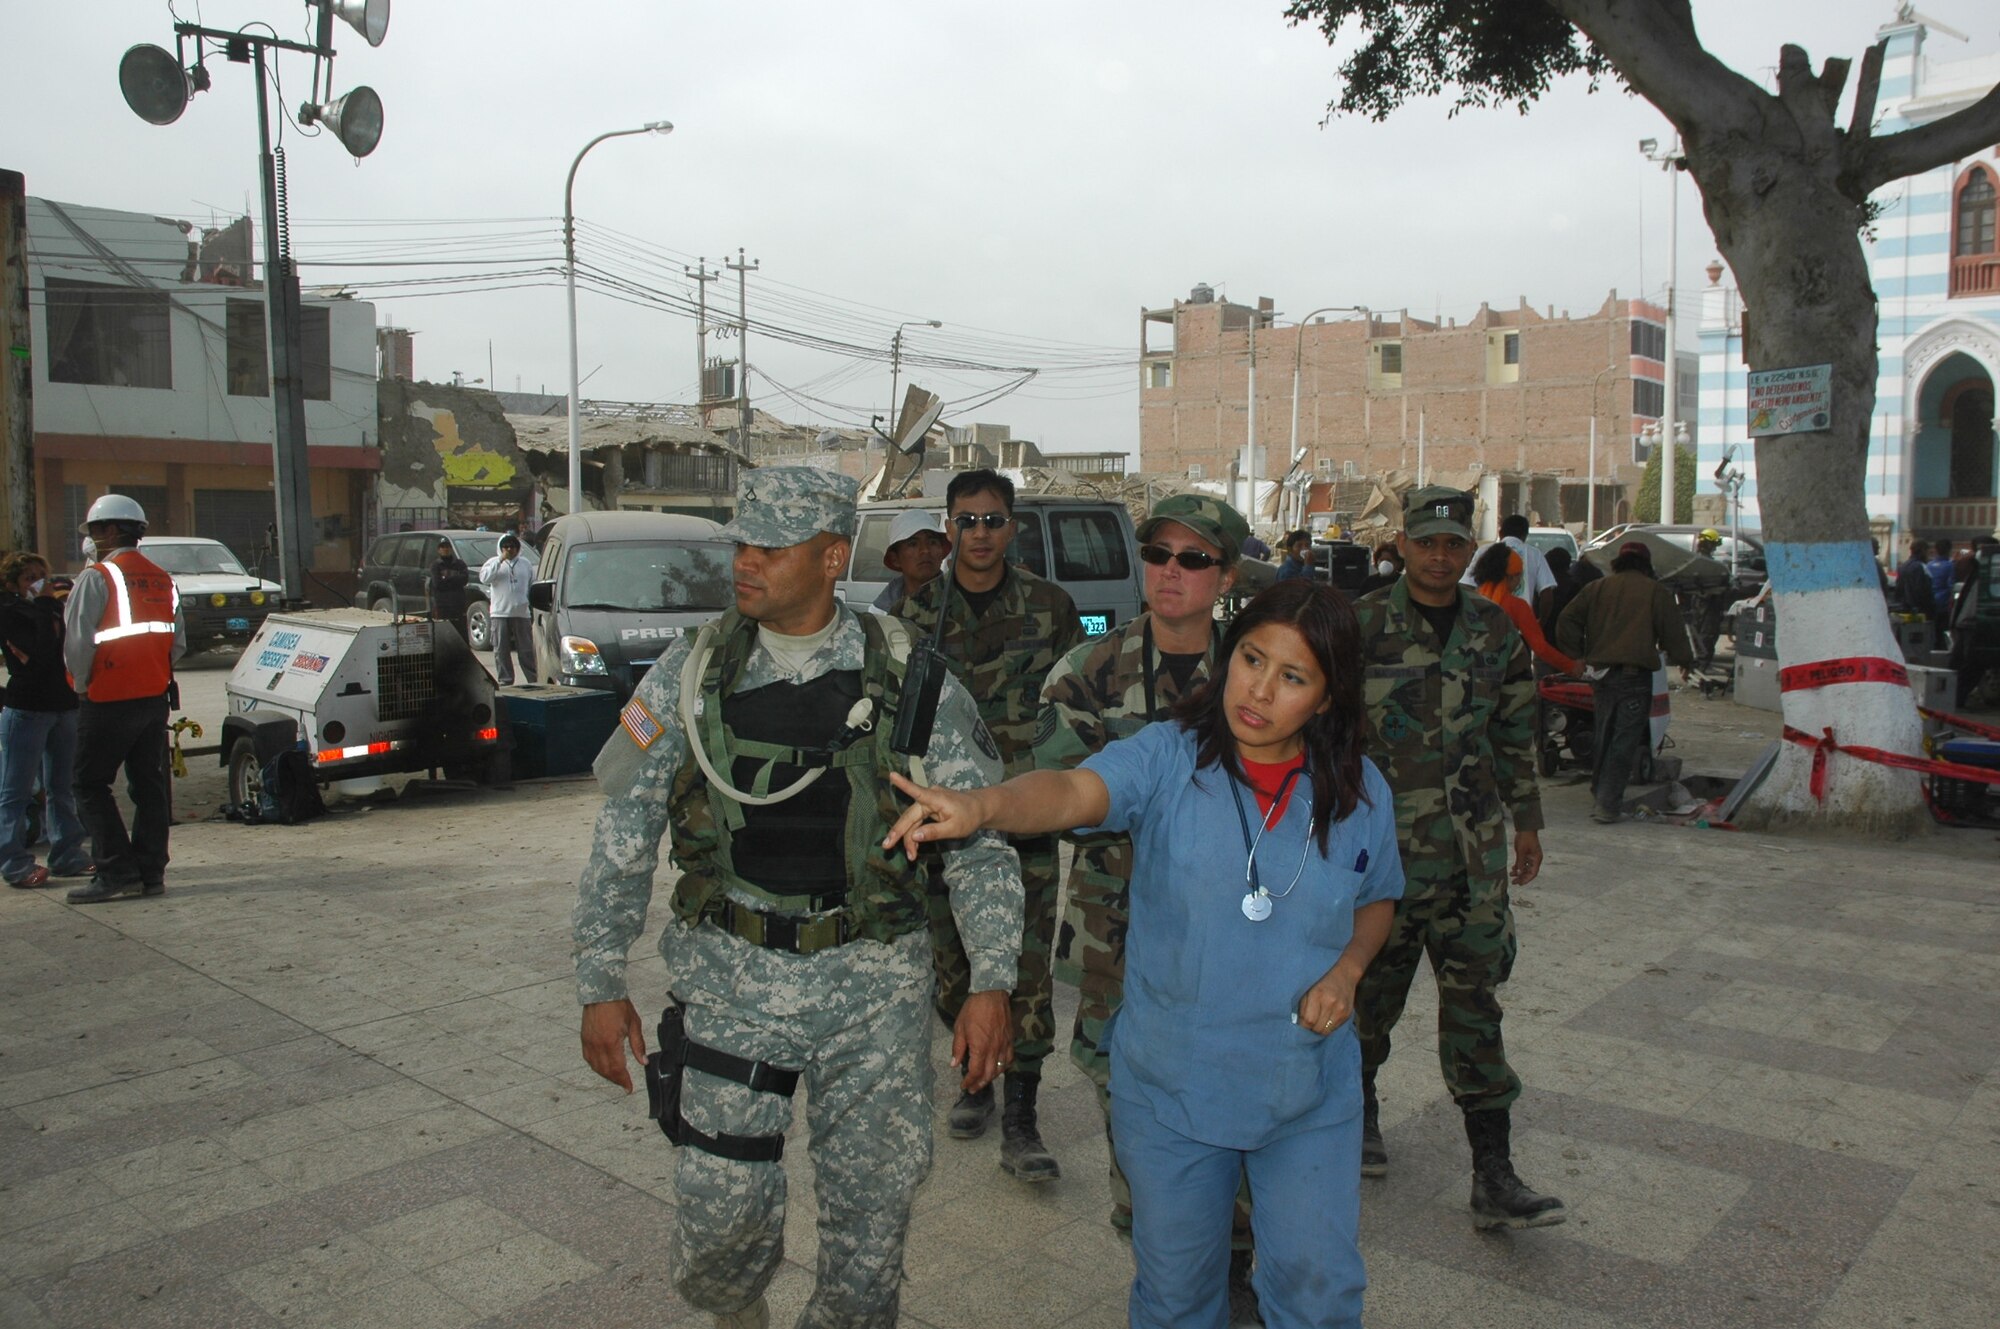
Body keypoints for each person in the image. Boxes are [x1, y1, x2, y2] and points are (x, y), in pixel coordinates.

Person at [572, 466, 1022, 1329]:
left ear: (829, 557)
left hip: (874, 986)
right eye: (740, 543)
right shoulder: (691, 668)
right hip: (734, 979)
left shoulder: (907, 673)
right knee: (719, 1211)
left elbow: (978, 839)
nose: (745, 563)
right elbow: (625, 825)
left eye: (770, 549)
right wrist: (600, 978)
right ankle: (736, 1315)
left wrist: (991, 981)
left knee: (869, 1232)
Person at [890, 579, 1404, 1329]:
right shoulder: (1169, 757)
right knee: (1175, 1300)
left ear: (1326, 698)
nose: (1257, 690)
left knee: (1319, 1292)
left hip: (1306, 1088)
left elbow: (1377, 897)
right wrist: (984, 804)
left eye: (1292, 677)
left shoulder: (1360, 793)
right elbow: (1072, 789)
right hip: (1174, 1090)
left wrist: (1350, 969)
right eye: (1251, 659)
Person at [1035, 493, 1264, 1318]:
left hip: (1234, 941)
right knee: (1134, 1120)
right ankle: (1166, 1269)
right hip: (1116, 938)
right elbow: (1066, 793)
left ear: (1226, 575)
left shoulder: (1259, 674)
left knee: (1238, 1104)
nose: (1171, 571)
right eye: (1158, 553)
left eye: (1193, 558)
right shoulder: (1087, 669)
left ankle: (1237, 1270)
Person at [1352, 484, 1565, 1231]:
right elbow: (1328, 735)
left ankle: (1493, 1171)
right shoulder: (1362, 626)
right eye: (1427, 542)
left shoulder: (1493, 630)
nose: (1441, 556)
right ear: (1403, 544)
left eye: (1454, 543)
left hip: (1473, 860)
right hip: (1383, 865)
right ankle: (1359, 1114)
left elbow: (1514, 733)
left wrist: (1529, 820)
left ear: (1470, 548)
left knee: (1477, 1009)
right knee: (1366, 1005)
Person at [895, 468, 1084, 1181]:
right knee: (954, 964)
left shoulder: (1050, 607)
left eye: (993, 520)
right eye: (967, 520)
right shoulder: (915, 618)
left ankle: (1024, 1116)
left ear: (1014, 527)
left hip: (1020, 815)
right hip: (943, 821)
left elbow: (1074, 707)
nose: (980, 533)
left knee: (1026, 966)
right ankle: (976, 1077)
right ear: (947, 527)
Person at [62, 494, 185, 903]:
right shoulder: (163, 578)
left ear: (113, 531)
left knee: (89, 783)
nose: (94, 538)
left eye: (96, 529)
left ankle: (116, 872)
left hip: (108, 699)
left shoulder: (97, 576)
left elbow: (78, 643)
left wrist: (83, 685)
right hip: (153, 698)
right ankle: (150, 872)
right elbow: (177, 644)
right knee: (149, 785)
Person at [1556, 541, 1696, 824]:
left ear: (1619, 563)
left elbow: (1566, 620)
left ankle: (1601, 792)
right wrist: (1685, 660)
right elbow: (1674, 634)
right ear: (1646, 565)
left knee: (1604, 735)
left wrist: (1576, 656)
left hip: (1602, 675)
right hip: (1635, 678)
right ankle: (1607, 805)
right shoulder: (1655, 592)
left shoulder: (1597, 588)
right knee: (1624, 740)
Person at [0, 554, 91, 889]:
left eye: (42, 576)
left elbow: (67, 648)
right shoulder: (10, 611)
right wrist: (42, 605)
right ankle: (14, 862)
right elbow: (36, 655)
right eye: (29, 578)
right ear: (13, 584)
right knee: (16, 790)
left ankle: (68, 853)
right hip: (27, 709)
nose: (39, 582)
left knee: (61, 786)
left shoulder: (54, 607)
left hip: (63, 706)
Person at [1472, 544, 1580, 675]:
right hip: (1504, 676)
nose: (1520, 580)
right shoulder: (1518, 606)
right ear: (1511, 577)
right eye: (1519, 575)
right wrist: (1571, 666)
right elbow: (1540, 648)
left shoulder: (1471, 599)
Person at [1462, 514, 1557, 620]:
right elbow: (1547, 596)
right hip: (1521, 624)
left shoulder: (1484, 551)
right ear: (1525, 535)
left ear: (1500, 533)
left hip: (1485, 622)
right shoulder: (1535, 554)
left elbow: (1466, 586)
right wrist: (1541, 622)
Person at [480, 532, 536, 685]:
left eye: (513, 547)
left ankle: (533, 679)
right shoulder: (493, 562)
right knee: (501, 649)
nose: (509, 550)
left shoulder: (525, 563)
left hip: (521, 613)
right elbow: (485, 579)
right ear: (501, 548)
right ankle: (505, 679)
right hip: (499, 613)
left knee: (526, 649)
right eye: (506, 547)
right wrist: (500, 560)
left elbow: (532, 584)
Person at [872, 509, 949, 612]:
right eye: (913, 544)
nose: (925, 550)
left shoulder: (961, 601)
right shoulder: (880, 611)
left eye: (932, 542)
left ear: (941, 551)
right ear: (895, 559)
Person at [427, 538, 471, 644]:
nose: (445, 549)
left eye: (447, 547)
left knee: (461, 632)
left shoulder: (460, 564)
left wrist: (446, 579)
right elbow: (438, 584)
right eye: (443, 547)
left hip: (458, 604)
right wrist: (455, 578)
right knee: (444, 632)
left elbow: (464, 580)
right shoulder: (436, 565)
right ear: (439, 550)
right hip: (443, 605)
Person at [1895, 539, 1935, 619]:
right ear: (1923, 551)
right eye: (1927, 552)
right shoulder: (1921, 566)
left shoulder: (1903, 566)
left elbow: (1898, 587)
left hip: (1904, 609)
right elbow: (1925, 590)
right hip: (1920, 611)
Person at [1928, 538, 1957, 646]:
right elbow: (1951, 585)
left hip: (1931, 602)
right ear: (1949, 550)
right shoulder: (1950, 566)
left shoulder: (1929, 565)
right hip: (1943, 603)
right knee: (1943, 628)